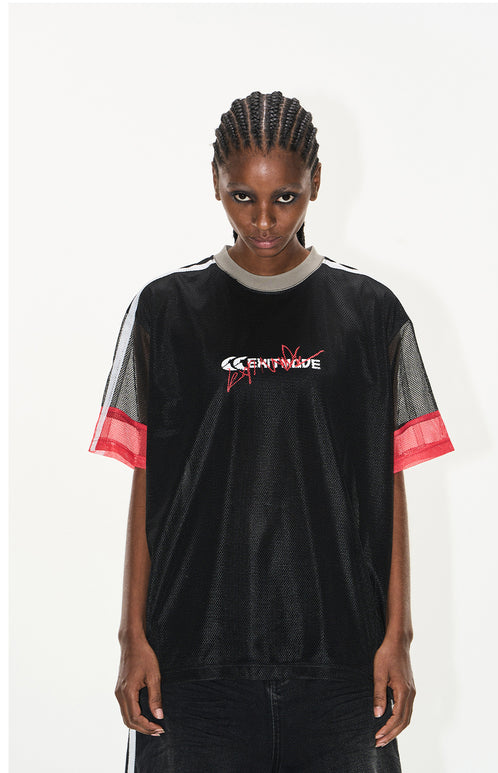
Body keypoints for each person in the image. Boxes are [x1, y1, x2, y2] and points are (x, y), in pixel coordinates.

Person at [89, 90, 454, 773]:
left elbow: (390, 484)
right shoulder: (165, 309)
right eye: (242, 197)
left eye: (285, 197)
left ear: (315, 182)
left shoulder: (369, 312)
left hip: (343, 661)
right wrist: (131, 637)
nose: (262, 219)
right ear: (215, 184)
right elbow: (147, 482)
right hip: (190, 661)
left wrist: (397, 638)